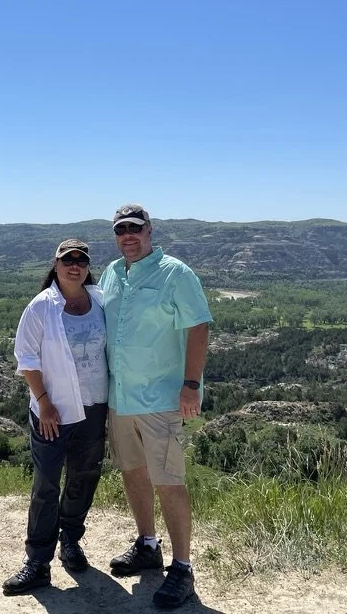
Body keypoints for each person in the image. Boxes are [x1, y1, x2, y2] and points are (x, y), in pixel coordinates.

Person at [98, 204, 213, 610]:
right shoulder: (113, 273)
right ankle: (148, 545)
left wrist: (190, 386)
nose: (128, 235)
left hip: (161, 398)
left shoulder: (176, 274)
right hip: (121, 397)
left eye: (135, 228)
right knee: (132, 473)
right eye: (120, 230)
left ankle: (182, 567)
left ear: (150, 231)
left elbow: (198, 327)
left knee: (169, 480)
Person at [2, 239, 109, 596]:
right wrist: (44, 403)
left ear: (87, 265)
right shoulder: (41, 307)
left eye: (81, 259)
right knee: (47, 485)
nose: (74, 265)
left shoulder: (101, 300)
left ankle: (71, 542)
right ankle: (37, 562)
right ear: (57, 264)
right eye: (68, 259)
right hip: (54, 411)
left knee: (84, 477)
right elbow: (26, 358)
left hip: (94, 406)